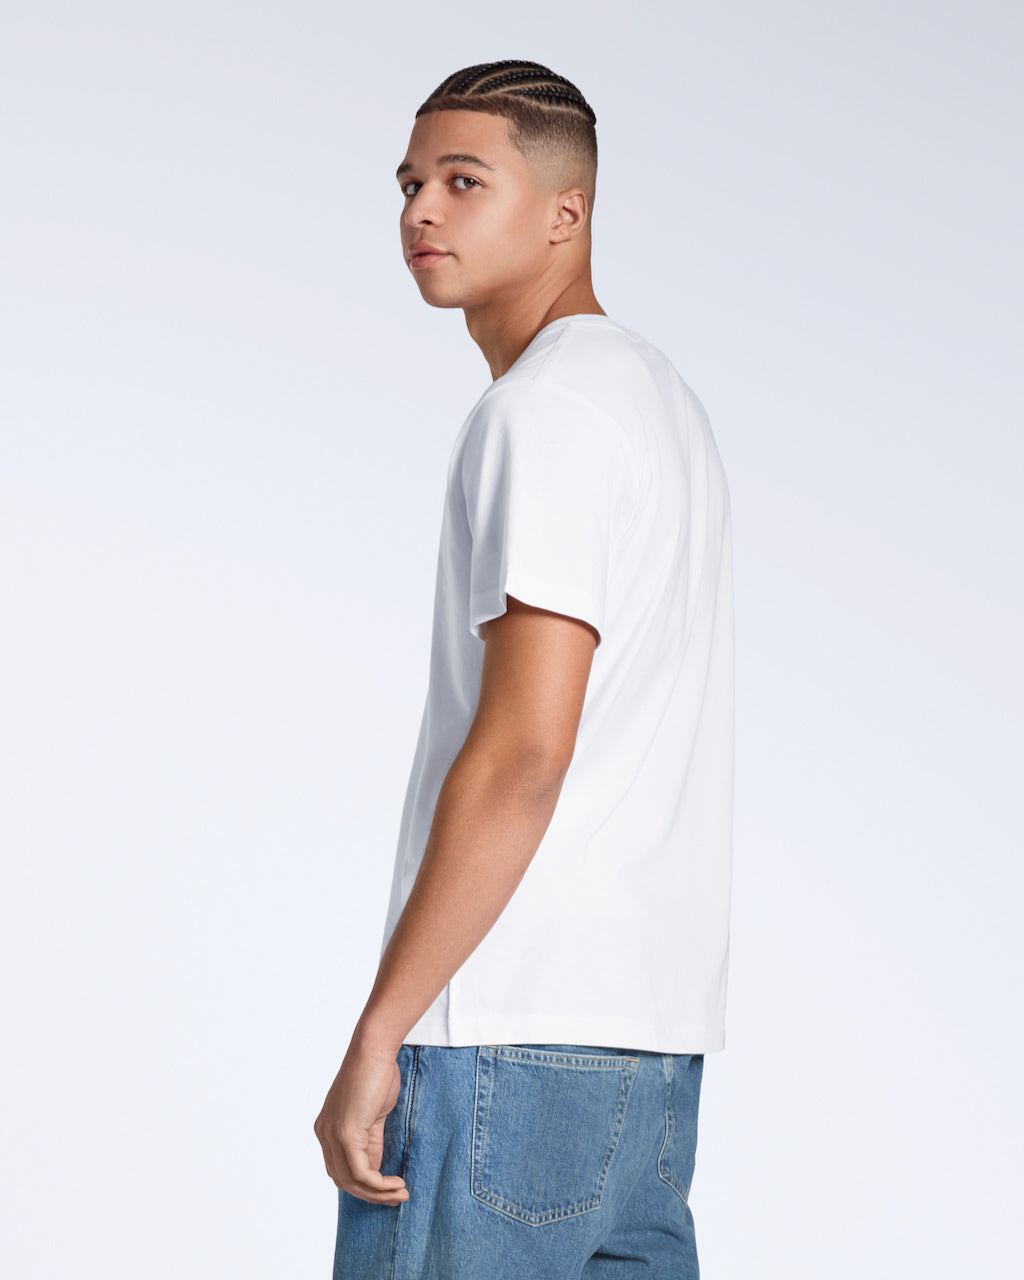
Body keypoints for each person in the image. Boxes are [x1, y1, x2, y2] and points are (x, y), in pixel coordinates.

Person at [314, 59, 735, 1279]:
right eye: (408, 183)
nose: (420, 211)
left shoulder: (541, 412)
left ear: (566, 211)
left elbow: (524, 750)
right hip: (648, 1055)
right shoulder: (659, 402)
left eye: (463, 180)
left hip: (501, 1031)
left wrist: (381, 1029)